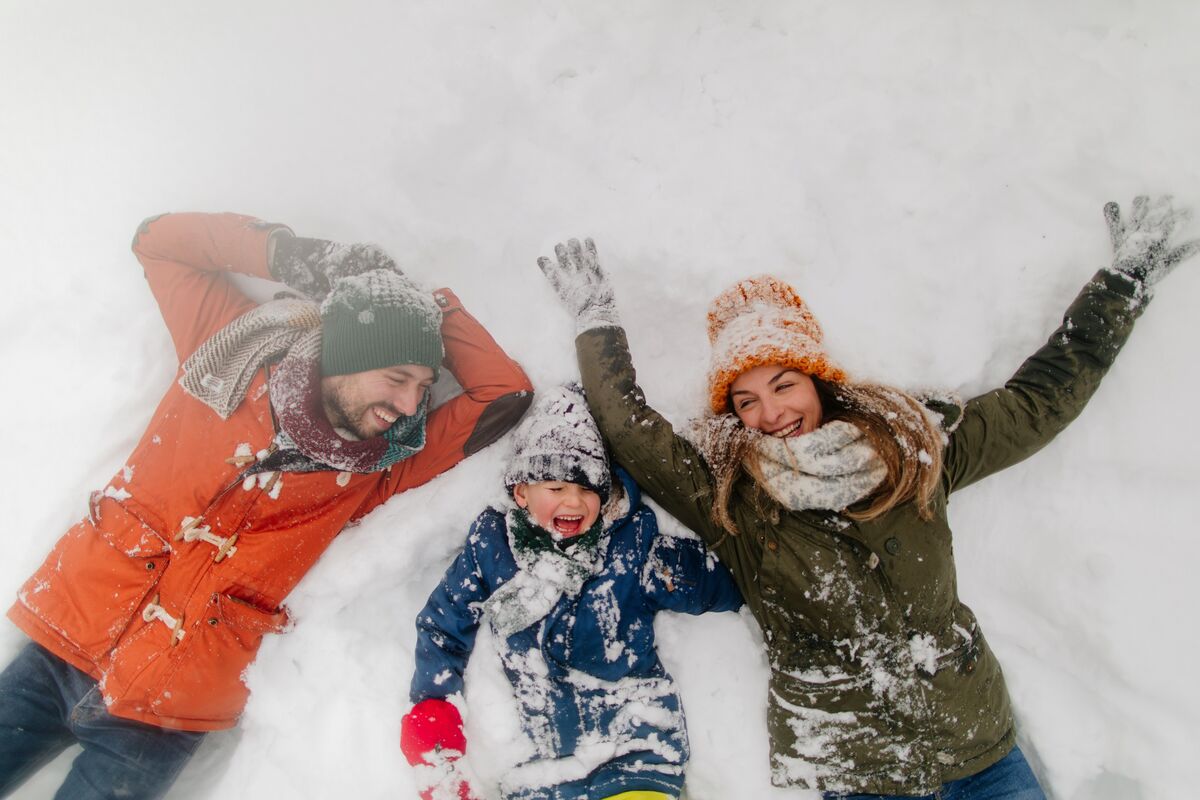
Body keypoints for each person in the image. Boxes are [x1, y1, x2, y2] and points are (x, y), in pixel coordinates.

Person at [535, 196, 1199, 799]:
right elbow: (628, 429)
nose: (770, 412)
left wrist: (1122, 286)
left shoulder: (911, 453)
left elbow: (1038, 402)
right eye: (746, 400)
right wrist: (596, 321)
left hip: (977, 752)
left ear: (818, 381)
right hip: (857, 771)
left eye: (784, 384)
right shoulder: (733, 502)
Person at [0, 212, 532, 799]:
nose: (411, 405)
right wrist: (290, 256)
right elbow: (158, 243)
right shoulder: (226, 352)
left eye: (422, 386)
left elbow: (503, 391)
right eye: (396, 376)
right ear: (346, 354)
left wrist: (424, 308)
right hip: (58, 650)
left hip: (166, 717)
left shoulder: (382, 464)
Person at [400, 384, 743, 800]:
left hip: (636, 748)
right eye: (557, 488)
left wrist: (697, 572)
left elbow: (724, 585)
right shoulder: (492, 546)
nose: (575, 501)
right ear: (521, 492)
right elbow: (445, 623)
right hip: (543, 767)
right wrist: (433, 708)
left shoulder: (630, 546)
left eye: (588, 490)